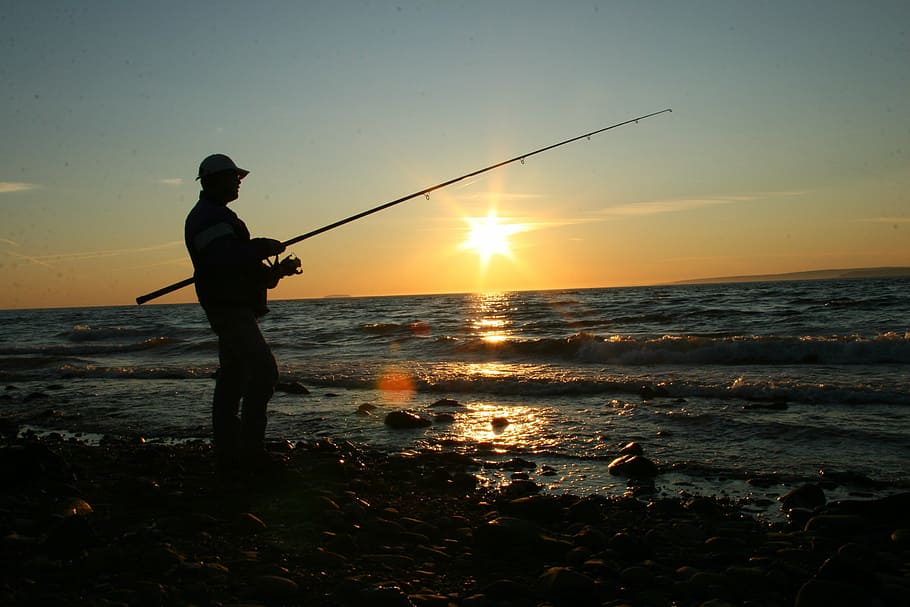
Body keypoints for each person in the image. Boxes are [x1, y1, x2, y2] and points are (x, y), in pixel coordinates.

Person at [184, 153, 301, 475]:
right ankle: (250, 453)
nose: (239, 182)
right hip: (228, 308)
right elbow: (225, 257)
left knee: (233, 379)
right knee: (264, 373)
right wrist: (260, 246)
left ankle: (230, 454)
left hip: (234, 305)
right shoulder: (207, 217)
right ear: (214, 181)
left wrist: (276, 272)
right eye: (233, 178)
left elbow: (237, 267)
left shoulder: (216, 215)